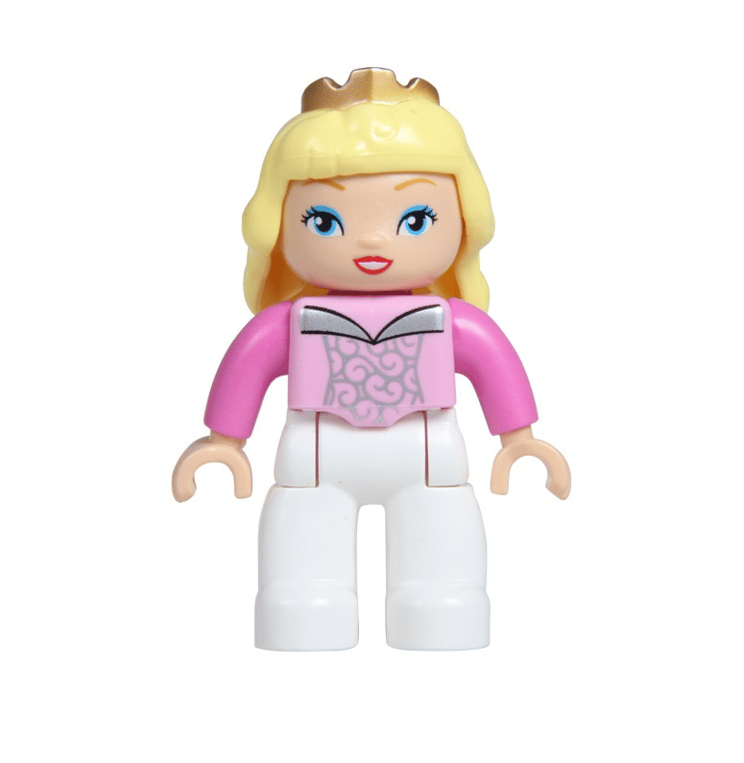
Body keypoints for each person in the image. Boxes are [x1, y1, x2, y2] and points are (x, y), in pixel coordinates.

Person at [172, 68, 570, 651]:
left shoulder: (451, 321)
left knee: (442, 563)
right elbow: (248, 365)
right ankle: (303, 606)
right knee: (302, 564)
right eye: (324, 221)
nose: (373, 241)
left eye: (414, 220)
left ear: (463, 223)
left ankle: (442, 605)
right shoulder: (289, 323)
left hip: (427, 453)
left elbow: (493, 363)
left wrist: (518, 438)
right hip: (316, 456)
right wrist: (223, 442)